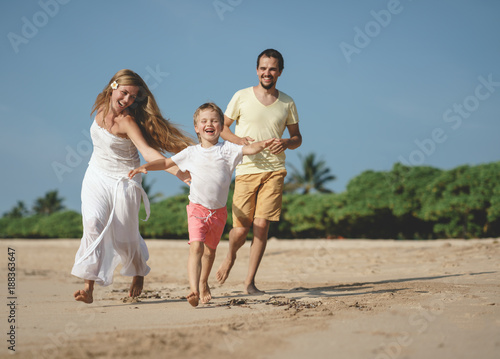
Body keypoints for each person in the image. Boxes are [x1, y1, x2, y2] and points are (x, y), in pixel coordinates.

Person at [128, 103, 273, 307]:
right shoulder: (190, 153)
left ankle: (204, 282)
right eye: (204, 121)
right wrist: (146, 166)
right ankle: (194, 289)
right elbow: (167, 163)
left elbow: (249, 149)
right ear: (197, 127)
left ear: (221, 126)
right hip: (197, 209)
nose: (209, 124)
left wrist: (264, 144)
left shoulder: (229, 149)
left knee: (210, 252)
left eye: (214, 121)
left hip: (218, 213)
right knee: (196, 247)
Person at [71, 69, 193, 304]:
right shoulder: (101, 103)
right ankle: (88, 287)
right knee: (92, 224)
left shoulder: (128, 121)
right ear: (113, 87)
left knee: (125, 235)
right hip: (96, 174)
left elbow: (148, 152)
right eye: (124, 93)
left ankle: (138, 271)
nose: (127, 100)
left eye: (133, 97)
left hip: (124, 178)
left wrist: (179, 173)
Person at [216, 49, 302, 295]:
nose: (267, 73)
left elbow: (297, 138)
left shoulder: (288, 102)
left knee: (262, 225)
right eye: (263, 68)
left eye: (272, 69)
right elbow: (222, 127)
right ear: (257, 70)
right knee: (241, 230)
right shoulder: (241, 96)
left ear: (280, 72)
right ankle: (231, 256)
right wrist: (240, 141)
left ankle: (249, 282)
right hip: (246, 169)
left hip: (275, 169)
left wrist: (286, 142)